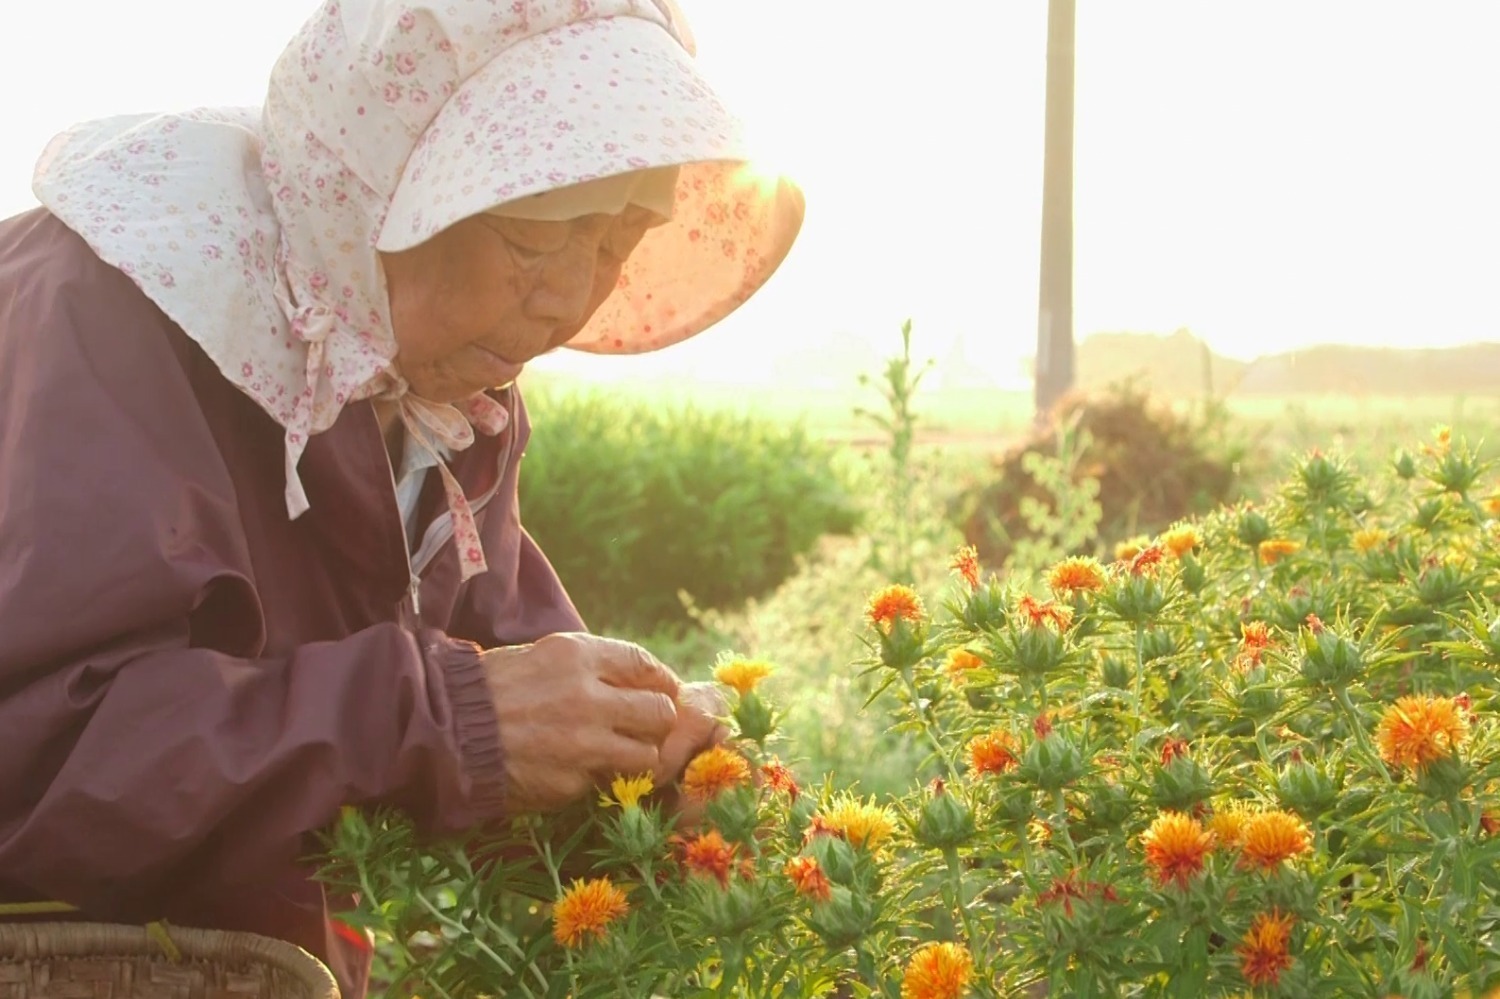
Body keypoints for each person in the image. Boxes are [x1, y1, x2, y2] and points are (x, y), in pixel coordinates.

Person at [0, 0, 803, 994]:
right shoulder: (102, 310)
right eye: (534, 238)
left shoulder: (442, 392)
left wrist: (643, 776)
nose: (569, 303)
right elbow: (40, 761)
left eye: (618, 241)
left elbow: (491, 698)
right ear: (380, 185)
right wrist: (457, 723)